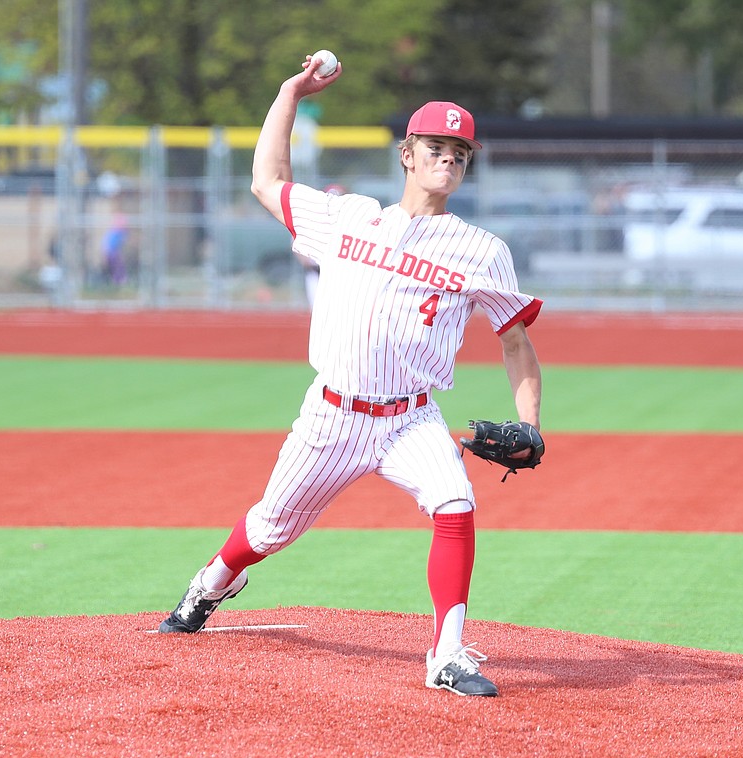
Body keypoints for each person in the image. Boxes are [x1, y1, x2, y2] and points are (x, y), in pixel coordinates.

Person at [158, 53, 544, 697]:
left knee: (456, 503)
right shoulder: (347, 217)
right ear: (407, 154)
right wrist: (288, 93)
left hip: (412, 418)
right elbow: (265, 180)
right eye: (435, 146)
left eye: (460, 150)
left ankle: (447, 655)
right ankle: (210, 586)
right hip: (333, 415)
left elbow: (517, 344)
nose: (448, 157)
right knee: (269, 526)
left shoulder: (483, 251)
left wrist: (532, 425)